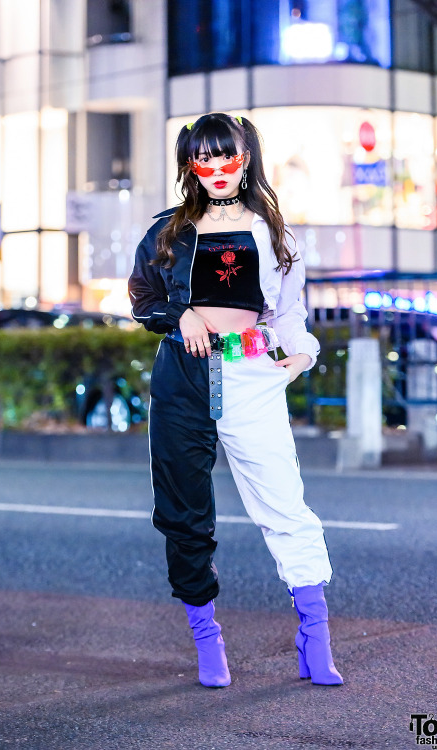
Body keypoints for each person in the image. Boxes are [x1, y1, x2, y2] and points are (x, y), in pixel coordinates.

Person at [128, 112, 343, 689]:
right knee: (184, 511)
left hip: (251, 372)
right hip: (183, 375)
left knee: (284, 503)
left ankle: (314, 636)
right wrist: (183, 312)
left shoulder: (274, 231)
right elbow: (142, 296)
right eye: (206, 158)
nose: (219, 169)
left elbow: (290, 312)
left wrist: (302, 354)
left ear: (247, 160)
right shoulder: (169, 231)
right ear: (190, 164)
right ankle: (206, 638)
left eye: (230, 157)